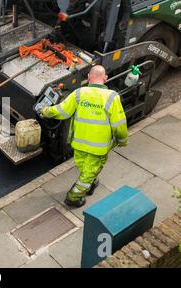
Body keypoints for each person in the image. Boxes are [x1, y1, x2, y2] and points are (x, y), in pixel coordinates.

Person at [36, 65, 128, 208]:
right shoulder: (112, 97)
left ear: (89, 77)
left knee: (86, 169)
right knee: (88, 173)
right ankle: (73, 197)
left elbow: (62, 112)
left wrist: (44, 110)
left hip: (78, 144)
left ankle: (90, 182)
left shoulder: (79, 93)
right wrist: (122, 140)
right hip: (98, 148)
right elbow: (119, 123)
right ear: (105, 78)